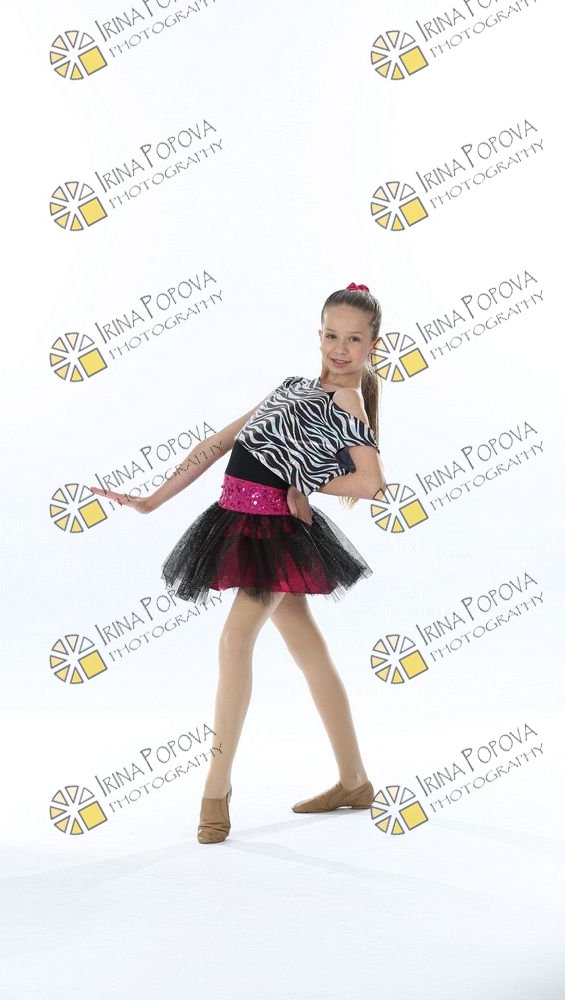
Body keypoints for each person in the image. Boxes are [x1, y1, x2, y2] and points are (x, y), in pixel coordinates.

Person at [90, 282, 388, 844]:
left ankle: (216, 788)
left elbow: (372, 483)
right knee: (308, 649)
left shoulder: (346, 401)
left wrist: (303, 482)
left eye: (354, 339)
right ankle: (354, 781)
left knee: (234, 639)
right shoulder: (294, 387)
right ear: (318, 334)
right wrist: (154, 499)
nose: (340, 349)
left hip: (270, 533)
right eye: (331, 335)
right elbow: (221, 441)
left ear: (373, 345)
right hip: (235, 518)